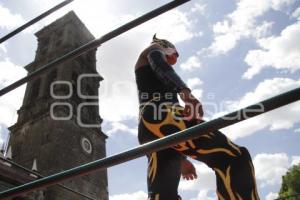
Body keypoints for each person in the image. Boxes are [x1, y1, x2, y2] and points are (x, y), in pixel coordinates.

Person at [135, 34, 260, 200]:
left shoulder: (148, 72)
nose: (176, 58)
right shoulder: (154, 48)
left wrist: (181, 159)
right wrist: (186, 93)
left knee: (163, 195)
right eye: (176, 53)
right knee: (233, 157)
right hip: (162, 112)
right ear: (165, 45)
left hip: (149, 125)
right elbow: (159, 63)